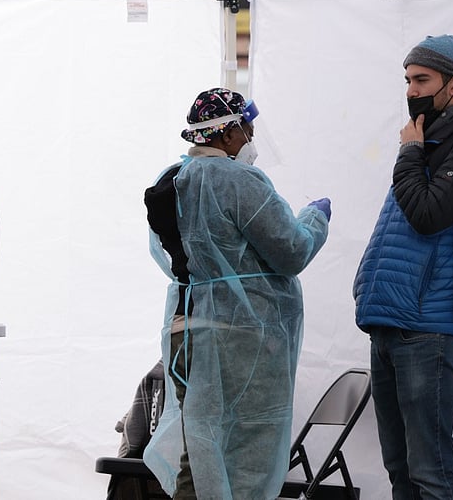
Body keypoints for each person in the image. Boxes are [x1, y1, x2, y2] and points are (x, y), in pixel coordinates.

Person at [142, 87, 331, 499]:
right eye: (246, 128)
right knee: (244, 452)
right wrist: (315, 219)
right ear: (227, 134)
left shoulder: (170, 182)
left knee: (200, 448)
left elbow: (168, 257)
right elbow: (292, 250)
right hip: (239, 339)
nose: (250, 138)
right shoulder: (238, 181)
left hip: (185, 331)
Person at [353, 35, 453, 499]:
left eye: (422, 80)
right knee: (399, 469)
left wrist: (409, 154)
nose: (411, 90)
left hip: (430, 329)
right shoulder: (426, 142)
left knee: (431, 471)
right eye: (408, 80)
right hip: (388, 323)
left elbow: (428, 215)